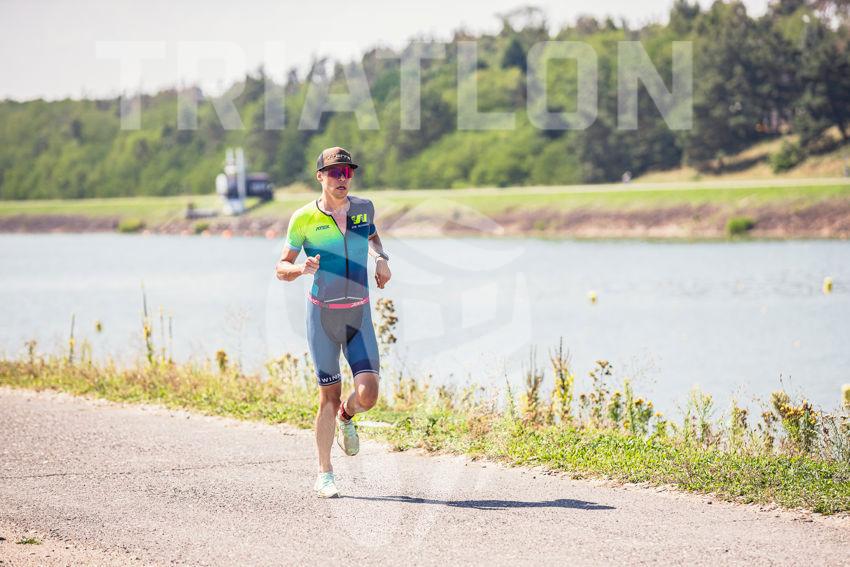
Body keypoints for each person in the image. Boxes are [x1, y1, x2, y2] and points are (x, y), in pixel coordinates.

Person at [275, 146, 392, 498]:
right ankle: (325, 473)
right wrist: (301, 269)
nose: (343, 178)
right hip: (322, 316)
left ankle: (347, 416)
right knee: (328, 396)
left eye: (348, 172)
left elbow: (372, 236)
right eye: (335, 172)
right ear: (320, 177)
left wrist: (381, 258)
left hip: (358, 314)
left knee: (368, 394)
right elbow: (281, 267)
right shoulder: (303, 219)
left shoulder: (363, 208)